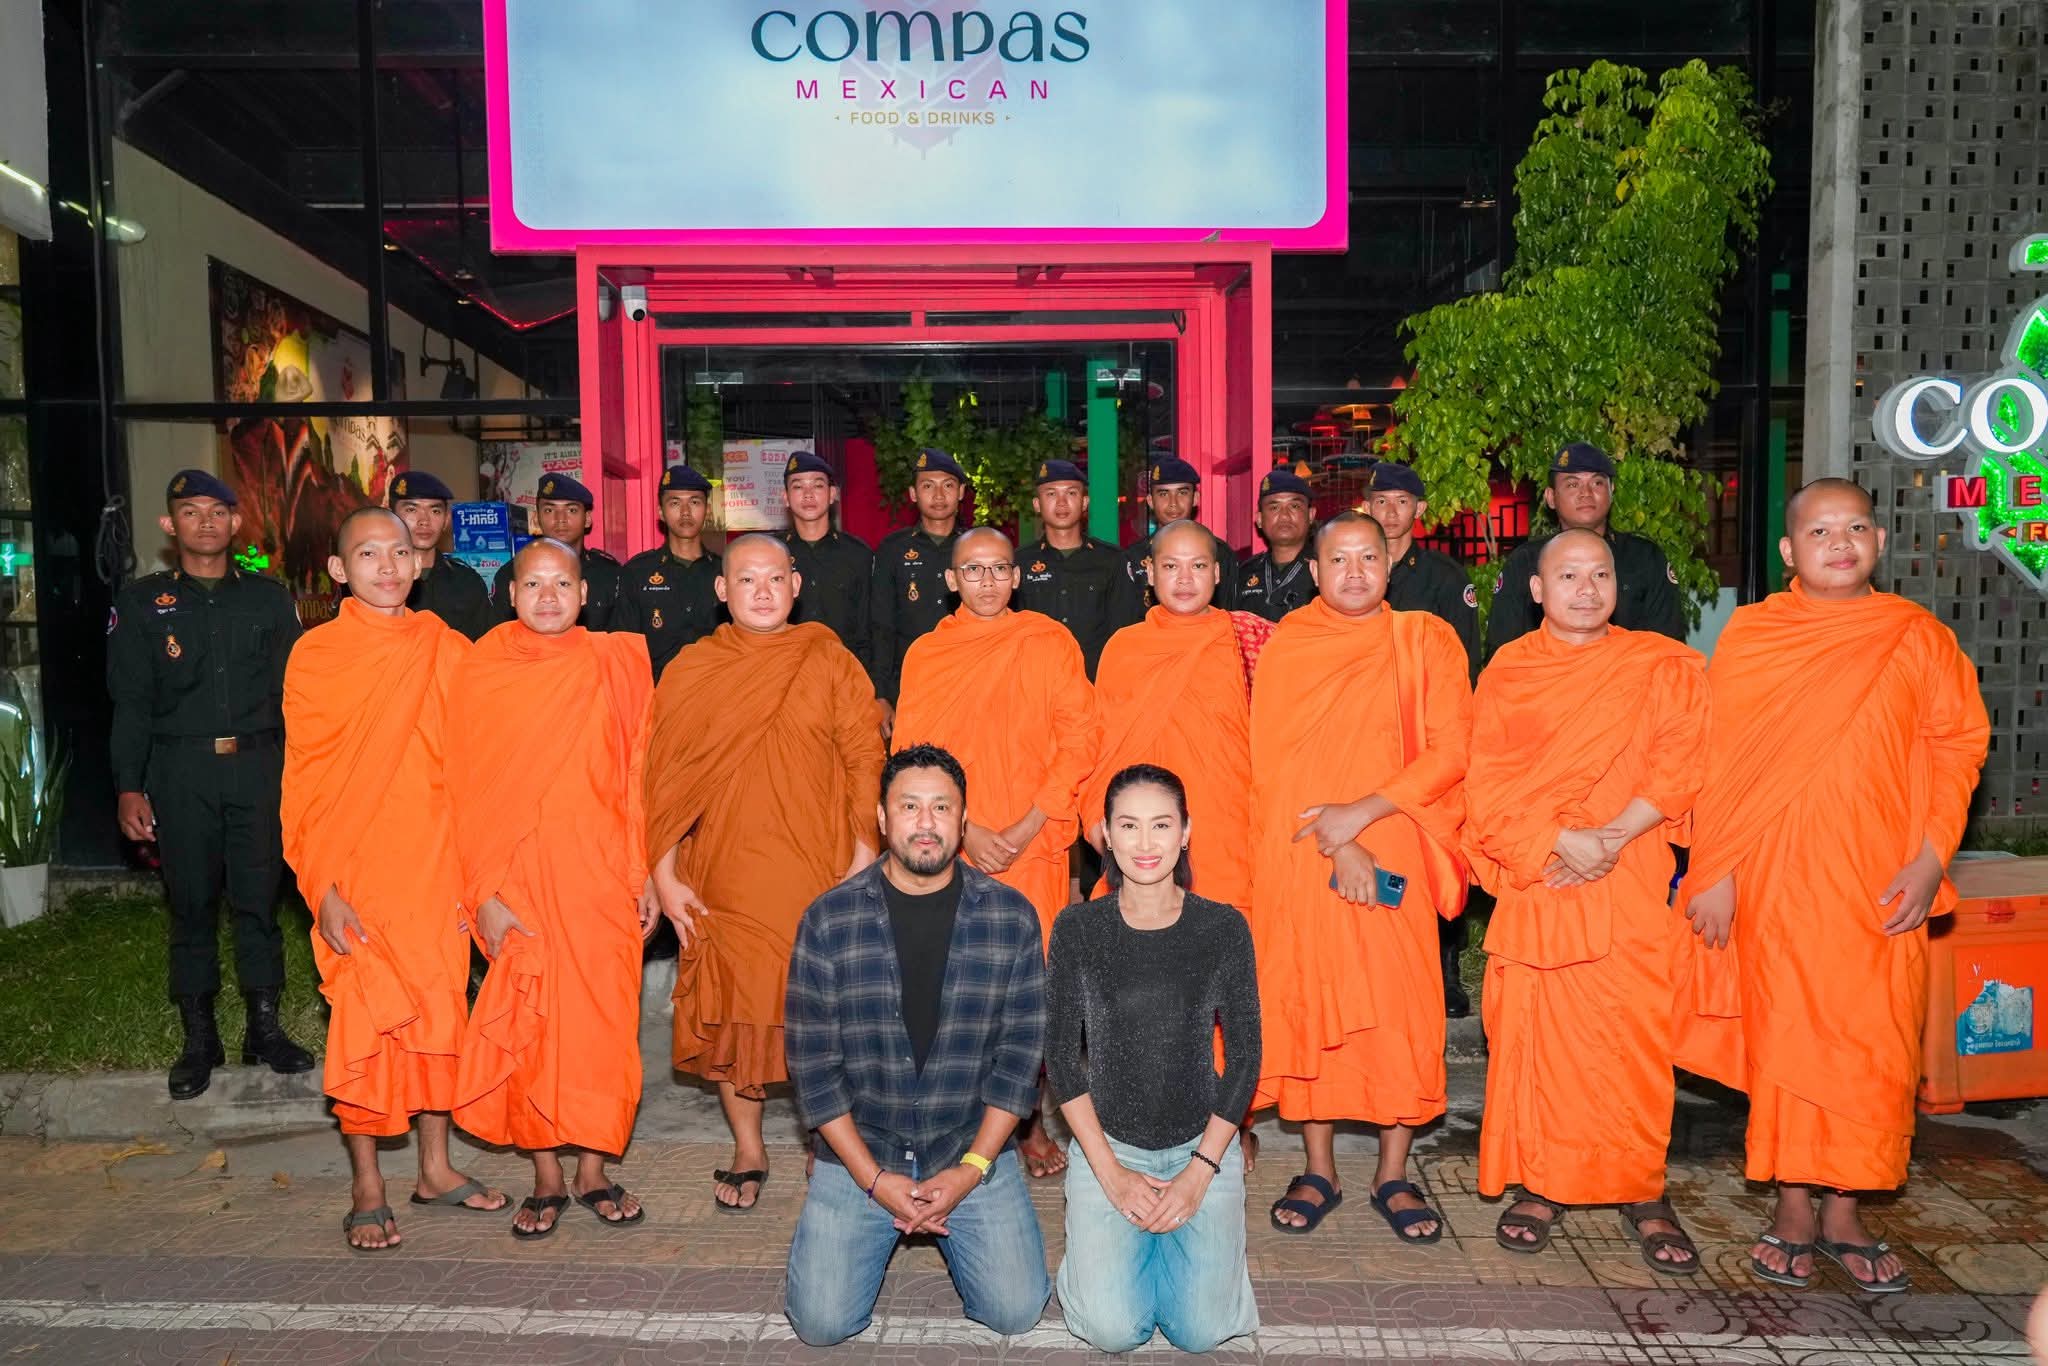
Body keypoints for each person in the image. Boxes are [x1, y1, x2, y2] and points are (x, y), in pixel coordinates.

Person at [1678, 478, 1989, 1295]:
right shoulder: (1754, 635)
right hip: (1777, 879)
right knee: (1788, 1040)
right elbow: (1721, 762)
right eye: (1820, 531)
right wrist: (1716, 871)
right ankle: (1791, 1206)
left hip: (1882, 881)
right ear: (1790, 550)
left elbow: (1957, 747)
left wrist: (1933, 858)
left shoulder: (1917, 638)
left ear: (1879, 541)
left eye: (1855, 527)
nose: (1839, 542)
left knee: (1873, 1047)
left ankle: (1846, 1211)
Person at [1463, 529, 1710, 1275]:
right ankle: (1544, 1184)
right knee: (1540, 1040)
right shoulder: (1510, 670)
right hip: (1544, 877)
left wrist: (1610, 836)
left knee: (1634, 1039)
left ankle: (1641, 1187)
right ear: (1537, 590)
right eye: (1568, 576)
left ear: (1617, 585)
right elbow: (1487, 783)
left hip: (1630, 870)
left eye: (1599, 574)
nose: (1586, 588)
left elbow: (1682, 758)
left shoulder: (1660, 664)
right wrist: (1556, 840)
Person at [282, 507, 507, 1251]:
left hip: (436, 866)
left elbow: (479, 762)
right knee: (365, 1019)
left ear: (419, 562)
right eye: (368, 554)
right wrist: (322, 889)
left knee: (440, 1015)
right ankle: (368, 1183)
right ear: (339, 570)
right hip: (357, 871)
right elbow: (303, 781)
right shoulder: (316, 655)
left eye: (399, 552)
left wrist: (479, 878)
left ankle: (434, 1169)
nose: (387, 566)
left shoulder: (446, 646)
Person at [644, 534, 884, 1213]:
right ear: (722, 590)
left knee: (822, 1014)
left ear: (795, 585)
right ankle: (749, 1147)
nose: (761, 591)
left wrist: (863, 855)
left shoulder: (828, 659)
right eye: (746, 579)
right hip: (725, 873)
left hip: (819, 867)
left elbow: (864, 756)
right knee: (737, 1014)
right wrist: (664, 875)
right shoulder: (693, 668)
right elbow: (663, 778)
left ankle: (828, 1139)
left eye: (775, 578)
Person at [783, 743, 1051, 1346]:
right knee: (821, 1324)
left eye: (941, 808)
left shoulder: (1011, 918)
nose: (925, 823)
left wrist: (971, 1170)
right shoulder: (829, 920)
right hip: (864, 1150)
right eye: (909, 806)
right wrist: (873, 1179)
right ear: (882, 818)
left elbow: (1019, 1062)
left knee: (1015, 1311)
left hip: (967, 1144)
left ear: (963, 819)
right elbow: (814, 1071)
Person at [1249, 511, 1470, 1240]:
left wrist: (1362, 816)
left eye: (1367, 558)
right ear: (1313, 571)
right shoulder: (1289, 647)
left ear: (1390, 564)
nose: (1353, 572)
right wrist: (1335, 840)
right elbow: (1274, 768)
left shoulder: (1425, 639)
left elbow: (1452, 750)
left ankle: (1393, 1174)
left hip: (1398, 836)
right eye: (1338, 560)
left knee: (1400, 1007)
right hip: (1307, 850)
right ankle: (1319, 1170)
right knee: (1313, 1002)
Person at [448, 538, 659, 1237]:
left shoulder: (617, 661)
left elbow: (639, 775)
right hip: (519, 878)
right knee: (531, 1023)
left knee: (603, 1026)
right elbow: (463, 790)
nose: (548, 597)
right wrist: (482, 892)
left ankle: (593, 1169)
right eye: (533, 585)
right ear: (511, 594)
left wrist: (643, 875)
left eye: (562, 585)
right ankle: (545, 1174)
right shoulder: (482, 670)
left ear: (584, 594)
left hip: (602, 873)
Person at [893, 526, 1100, 1179]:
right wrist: (967, 829)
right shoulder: (928, 654)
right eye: (972, 570)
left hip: (1033, 843)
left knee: (1030, 991)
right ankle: (958, 1123)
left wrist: (1032, 820)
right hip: (952, 844)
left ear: (1017, 576)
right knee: (955, 990)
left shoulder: (1049, 641)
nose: (986, 581)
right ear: (950, 580)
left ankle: (1030, 1123)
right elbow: (912, 753)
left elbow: (1080, 737)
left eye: (998, 569)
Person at [107, 469, 314, 1100]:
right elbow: (131, 704)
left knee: (259, 899)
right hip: (181, 770)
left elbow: (297, 696)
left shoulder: (269, 600)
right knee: (192, 903)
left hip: (259, 767)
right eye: (191, 512)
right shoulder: (142, 604)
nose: (205, 522)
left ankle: (264, 1028)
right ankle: (200, 1039)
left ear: (236, 523)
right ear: (169, 525)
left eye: (217, 511)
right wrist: (129, 786)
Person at [1047, 764, 1261, 1354]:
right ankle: (1098, 1252)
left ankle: (1180, 1247)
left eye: (1161, 825)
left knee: (1201, 1332)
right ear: (1105, 835)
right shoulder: (1078, 928)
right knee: (1112, 1330)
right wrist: (1111, 1175)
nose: (1146, 843)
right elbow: (1060, 1058)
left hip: (1200, 1147)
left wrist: (1199, 1173)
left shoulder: (1222, 927)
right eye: (1129, 825)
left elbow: (1245, 1058)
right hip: (1109, 1147)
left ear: (1186, 832)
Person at [1083, 521, 1257, 914]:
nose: (1185, 579)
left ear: (1217, 572)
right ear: (1150, 572)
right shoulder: (1124, 648)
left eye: (1198, 566)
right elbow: (1099, 744)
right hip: (1141, 837)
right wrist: (1097, 821)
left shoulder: (1247, 640)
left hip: (1228, 835)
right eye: (1171, 566)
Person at [1365, 460, 1482, 1019]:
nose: (1390, 512)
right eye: (1380, 501)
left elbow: (1466, 660)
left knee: (1437, 851)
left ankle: (1446, 971)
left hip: (1428, 737)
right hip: (1368, 734)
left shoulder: (1443, 577)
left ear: (1420, 510)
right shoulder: (1351, 565)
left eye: (1401, 502)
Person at [1483, 443, 1686, 657]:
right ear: (1551, 497)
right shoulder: (1526, 561)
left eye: (1597, 483)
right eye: (1573, 484)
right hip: (1545, 675)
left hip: (1632, 674)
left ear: (1612, 491)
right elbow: (1503, 649)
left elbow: (1670, 646)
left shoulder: (1644, 557)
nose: (1586, 493)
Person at [870, 448, 968, 735]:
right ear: (913, 494)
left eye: (948, 486)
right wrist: (881, 694)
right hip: (909, 686)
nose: (938, 495)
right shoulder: (893, 549)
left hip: (967, 682)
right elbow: (881, 626)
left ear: (961, 492)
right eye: (928, 486)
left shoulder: (976, 547)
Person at [1014, 458, 1134, 678]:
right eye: (1051, 494)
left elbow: (1124, 632)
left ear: (1085, 502)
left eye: (1071, 493)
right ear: (1037, 505)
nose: (1062, 503)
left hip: (1095, 684)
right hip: (1037, 684)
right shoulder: (1018, 562)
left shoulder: (1112, 560)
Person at [612, 464, 723, 680]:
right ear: (661, 512)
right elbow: (624, 651)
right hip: (657, 693)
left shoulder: (726, 571)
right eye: (675, 503)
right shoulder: (637, 573)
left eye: (694, 502)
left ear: (708, 510)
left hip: (715, 692)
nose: (685, 512)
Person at [781, 450, 875, 676]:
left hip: (844, 674)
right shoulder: (772, 554)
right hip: (786, 674)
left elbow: (868, 627)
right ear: (785, 497)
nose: (808, 494)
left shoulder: (858, 553)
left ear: (832, 494)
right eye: (798, 486)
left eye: (818, 485)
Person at [490, 473, 621, 629]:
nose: (560, 519)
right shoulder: (511, 574)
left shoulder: (610, 574)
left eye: (571, 510)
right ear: (535, 519)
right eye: (549, 510)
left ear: (587, 519)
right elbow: (501, 635)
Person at [1120, 456, 1238, 615]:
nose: (1173, 503)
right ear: (1150, 501)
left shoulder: (1220, 553)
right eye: (1163, 494)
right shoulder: (1132, 558)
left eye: (1182, 492)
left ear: (1195, 498)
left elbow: (1228, 615)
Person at [384, 470, 493, 640]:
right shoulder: (377, 582)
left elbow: (484, 648)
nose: (424, 521)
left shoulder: (467, 583)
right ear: (389, 516)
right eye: (411, 509)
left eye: (435, 511)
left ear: (446, 519)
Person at [1234, 468, 1317, 622]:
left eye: (1294, 506)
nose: (1284, 515)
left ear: (1311, 515)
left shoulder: (1327, 569)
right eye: (1274, 507)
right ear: (1259, 519)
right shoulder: (1242, 574)